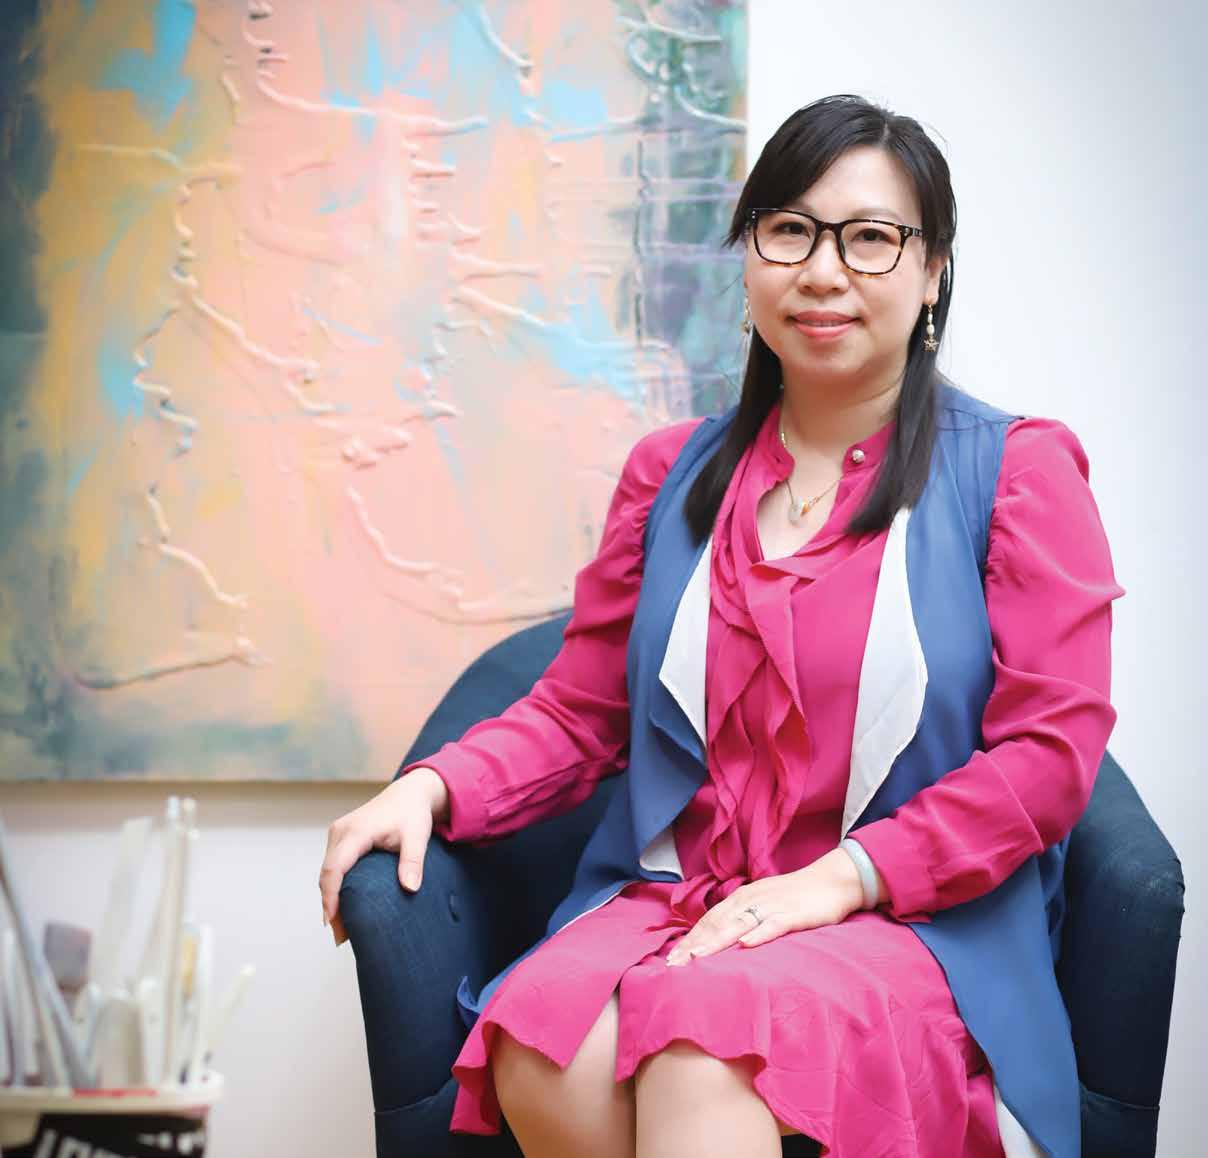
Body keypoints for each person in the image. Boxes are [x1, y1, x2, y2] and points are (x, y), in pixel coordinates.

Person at [319, 94, 1124, 1158]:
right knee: (544, 1048)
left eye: (870, 238)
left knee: (706, 1051)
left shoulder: (1017, 473)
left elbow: (1048, 757)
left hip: (901, 916)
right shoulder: (669, 475)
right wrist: (430, 786)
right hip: (678, 898)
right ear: (749, 259)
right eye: (788, 230)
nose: (822, 271)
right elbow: (580, 711)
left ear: (932, 270)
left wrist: (838, 879)